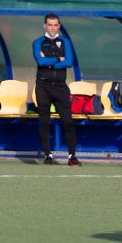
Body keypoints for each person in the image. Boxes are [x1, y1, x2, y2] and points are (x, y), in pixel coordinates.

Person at [32, 14, 80, 166]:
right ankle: (48, 154)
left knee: (68, 121)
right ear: (44, 26)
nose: (53, 28)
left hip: (60, 86)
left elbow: (70, 62)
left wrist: (50, 62)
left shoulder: (65, 41)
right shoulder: (37, 42)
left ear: (59, 26)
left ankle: (72, 155)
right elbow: (40, 61)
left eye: (55, 25)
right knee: (44, 121)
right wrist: (59, 59)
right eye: (50, 25)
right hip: (43, 86)